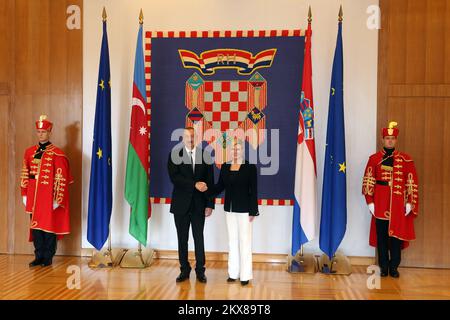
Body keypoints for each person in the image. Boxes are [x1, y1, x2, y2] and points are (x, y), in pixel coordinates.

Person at [362, 121, 419, 278]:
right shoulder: (374, 159)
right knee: (381, 236)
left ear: (396, 140)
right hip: (380, 201)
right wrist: (370, 201)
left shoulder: (406, 160)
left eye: (392, 138)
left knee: (395, 236)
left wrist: (409, 202)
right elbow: (368, 180)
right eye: (387, 138)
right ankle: (383, 266)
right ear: (382, 140)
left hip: (398, 202)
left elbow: (411, 181)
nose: (389, 141)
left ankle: (394, 266)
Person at [20, 115, 73, 267]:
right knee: (36, 227)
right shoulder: (29, 152)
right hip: (33, 197)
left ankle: (48, 257)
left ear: (49, 132)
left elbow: (61, 178)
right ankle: (38, 256)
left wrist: (58, 199)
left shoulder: (58, 154)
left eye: (43, 131)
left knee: (49, 228)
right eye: (38, 131)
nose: (41, 134)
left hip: (48, 197)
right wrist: (24, 193)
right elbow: (26, 173)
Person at [167, 127, 215, 283]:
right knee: (182, 239)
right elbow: (175, 178)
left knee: (198, 238)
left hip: (199, 205)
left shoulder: (205, 155)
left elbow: (210, 182)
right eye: (187, 136)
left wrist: (210, 204)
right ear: (183, 138)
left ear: (197, 137)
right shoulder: (175, 155)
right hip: (180, 205)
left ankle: (200, 271)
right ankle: (184, 270)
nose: (190, 139)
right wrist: (194, 184)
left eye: (193, 136)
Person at [210, 140, 259, 286]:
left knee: (245, 241)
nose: (236, 152)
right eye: (233, 149)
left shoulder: (250, 167)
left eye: (238, 149)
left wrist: (253, 211)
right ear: (230, 151)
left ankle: (245, 275)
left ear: (243, 150)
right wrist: (207, 189)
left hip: (245, 211)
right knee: (232, 241)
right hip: (229, 210)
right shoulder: (225, 166)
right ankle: (233, 273)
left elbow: (253, 191)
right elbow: (219, 187)